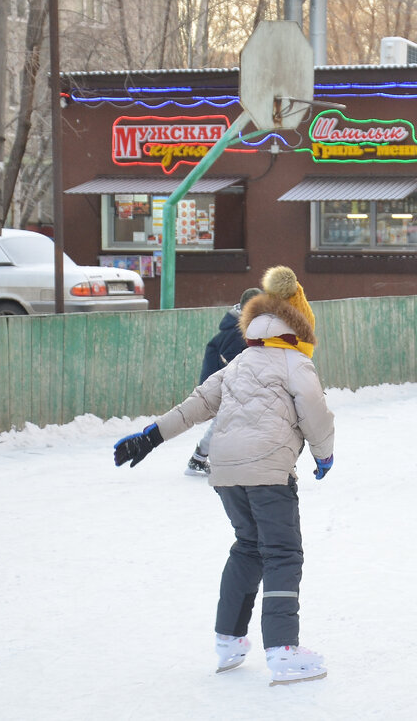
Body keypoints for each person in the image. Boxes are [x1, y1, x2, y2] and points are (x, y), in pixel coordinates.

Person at [112, 265, 335, 686]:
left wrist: (149, 437)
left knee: (248, 546)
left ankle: (229, 640)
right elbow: (315, 412)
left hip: (226, 470)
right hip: (268, 469)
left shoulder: (239, 362)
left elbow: (196, 405)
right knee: (283, 553)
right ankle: (284, 650)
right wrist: (324, 455)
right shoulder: (295, 363)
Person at [184, 286, 263, 476]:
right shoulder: (235, 331)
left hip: (227, 381)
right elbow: (234, 360)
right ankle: (209, 459)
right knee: (230, 420)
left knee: (229, 420)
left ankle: (200, 458)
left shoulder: (243, 326)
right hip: (220, 381)